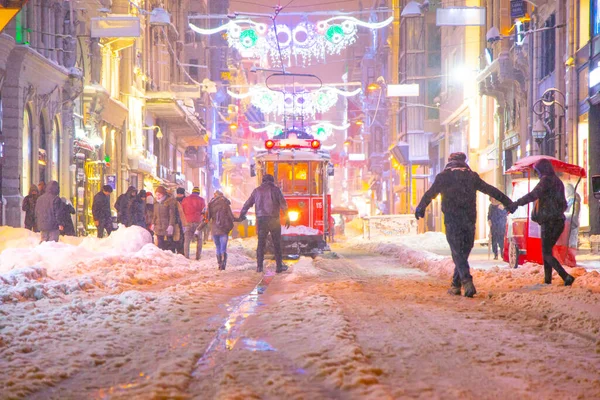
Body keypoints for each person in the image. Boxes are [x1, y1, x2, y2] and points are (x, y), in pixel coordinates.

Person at [415, 152, 512, 297]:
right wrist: (507, 202)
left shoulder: (444, 177)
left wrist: (421, 207)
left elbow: (431, 193)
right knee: (463, 252)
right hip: (469, 220)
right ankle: (455, 285)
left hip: (452, 219)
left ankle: (466, 282)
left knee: (457, 253)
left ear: (450, 161)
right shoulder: (471, 176)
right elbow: (490, 190)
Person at [506, 159, 575, 286]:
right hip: (558, 221)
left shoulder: (546, 181)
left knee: (546, 252)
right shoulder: (558, 182)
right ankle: (548, 279)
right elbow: (563, 203)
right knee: (547, 251)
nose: (537, 174)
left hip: (549, 222)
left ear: (542, 170)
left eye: (538, 171)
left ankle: (565, 276)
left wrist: (516, 203)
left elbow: (532, 195)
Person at [239, 174, 290, 273]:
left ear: (263, 181)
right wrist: (287, 217)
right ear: (272, 181)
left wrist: (242, 214)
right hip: (274, 219)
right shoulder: (276, 190)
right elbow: (283, 204)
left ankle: (259, 267)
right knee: (277, 244)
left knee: (261, 243)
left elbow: (248, 203)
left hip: (261, 219)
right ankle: (279, 267)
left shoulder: (257, 191)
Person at [207, 190, 235, 270]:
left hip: (215, 229)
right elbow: (231, 216)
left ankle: (219, 263)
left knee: (218, 247)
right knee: (223, 248)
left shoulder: (211, 204)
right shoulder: (226, 204)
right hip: (224, 229)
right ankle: (223, 263)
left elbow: (208, 217)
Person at [181, 186, 206, 259]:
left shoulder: (185, 200)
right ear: (198, 193)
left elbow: (182, 211)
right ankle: (198, 256)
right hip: (198, 222)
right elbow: (204, 211)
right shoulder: (201, 200)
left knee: (187, 240)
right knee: (199, 239)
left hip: (187, 221)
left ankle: (186, 256)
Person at [152, 186, 177, 252]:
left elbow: (172, 215)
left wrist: (171, 225)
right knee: (160, 246)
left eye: (159, 195)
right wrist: (153, 223)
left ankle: (170, 259)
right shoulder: (156, 203)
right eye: (156, 195)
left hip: (166, 227)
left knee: (168, 246)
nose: (158, 196)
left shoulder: (169, 202)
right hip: (158, 228)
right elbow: (154, 215)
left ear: (163, 194)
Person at [565, 183, 581, 248]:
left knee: (572, 244)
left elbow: (574, 214)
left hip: (573, 225)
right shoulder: (570, 200)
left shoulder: (574, 200)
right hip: (569, 224)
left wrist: (564, 215)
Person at [174, 188, 187, 255]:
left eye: (180, 194)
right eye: (178, 194)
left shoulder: (186, 201)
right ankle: (179, 251)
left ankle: (182, 251)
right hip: (177, 221)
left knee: (183, 237)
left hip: (184, 221)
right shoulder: (174, 201)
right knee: (178, 237)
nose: (179, 195)